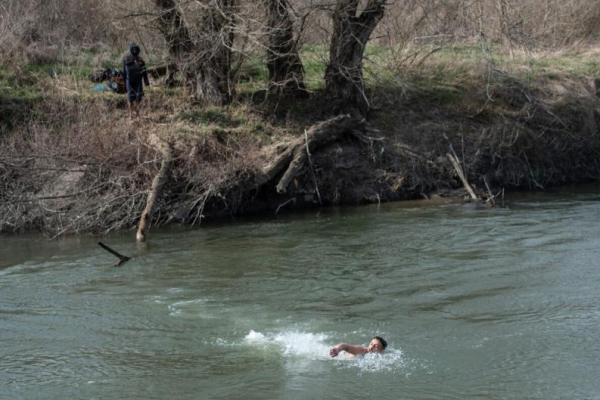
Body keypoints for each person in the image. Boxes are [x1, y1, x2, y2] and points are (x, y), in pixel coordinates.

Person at [122, 43, 150, 120]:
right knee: (130, 98)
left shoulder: (141, 61)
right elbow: (124, 72)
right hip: (129, 81)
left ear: (138, 50)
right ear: (131, 50)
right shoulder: (126, 59)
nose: (134, 51)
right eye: (133, 49)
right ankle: (131, 115)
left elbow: (144, 72)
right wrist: (124, 83)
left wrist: (146, 82)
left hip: (138, 81)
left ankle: (137, 113)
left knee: (138, 97)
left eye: (136, 49)